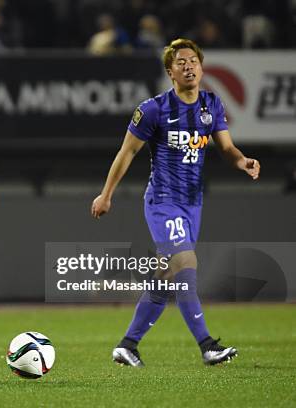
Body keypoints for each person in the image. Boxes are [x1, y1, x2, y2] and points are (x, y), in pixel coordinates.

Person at [91, 38, 260, 366]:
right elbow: (127, 152)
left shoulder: (211, 105)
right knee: (185, 265)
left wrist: (243, 162)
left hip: (192, 204)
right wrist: (106, 194)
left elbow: (227, 148)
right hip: (163, 202)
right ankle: (207, 345)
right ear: (170, 72)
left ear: (201, 66)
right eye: (181, 62)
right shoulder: (153, 109)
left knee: (164, 278)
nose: (188, 66)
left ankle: (127, 345)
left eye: (193, 61)